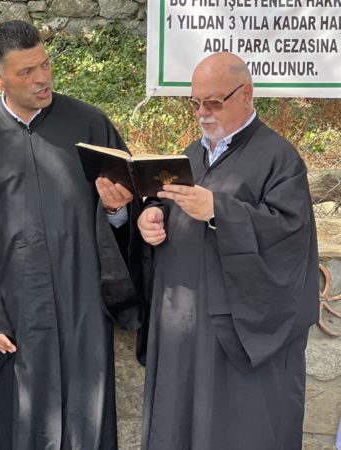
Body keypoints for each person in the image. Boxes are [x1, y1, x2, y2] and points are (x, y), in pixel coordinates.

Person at [0, 20, 138, 450]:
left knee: (85, 419)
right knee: (15, 422)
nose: (42, 79)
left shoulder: (90, 126)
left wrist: (117, 210)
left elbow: (130, 216)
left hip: (82, 304)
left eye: (45, 65)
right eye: (26, 72)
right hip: (14, 311)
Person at [135, 52, 319, 449]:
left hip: (236, 333)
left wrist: (219, 210)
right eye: (195, 103)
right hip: (181, 325)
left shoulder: (279, 158)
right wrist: (152, 216)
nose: (203, 113)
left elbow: (289, 235)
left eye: (214, 102)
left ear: (246, 94)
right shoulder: (190, 154)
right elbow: (165, 202)